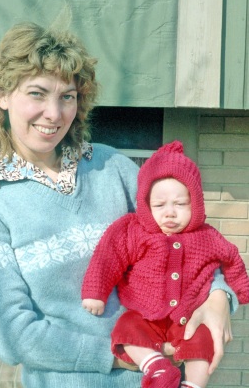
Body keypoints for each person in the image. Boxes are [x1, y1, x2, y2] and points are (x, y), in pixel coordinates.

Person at [0, 17, 235, 388]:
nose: (54, 114)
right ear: (2, 96)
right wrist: (124, 354)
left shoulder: (112, 167)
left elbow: (187, 242)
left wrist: (218, 297)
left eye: (66, 96)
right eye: (37, 93)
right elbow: (11, 336)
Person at [82, 140, 249, 388]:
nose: (169, 213)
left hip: (189, 316)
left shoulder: (207, 236)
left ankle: (193, 384)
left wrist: (240, 291)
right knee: (127, 329)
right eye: (159, 205)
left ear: (196, 203)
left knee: (203, 339)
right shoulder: (133, 230)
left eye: (180, 204)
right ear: (146, 204)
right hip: (144, 315)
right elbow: (108, 256)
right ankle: (157, 367)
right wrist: (96, 293)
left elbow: (232, 259)